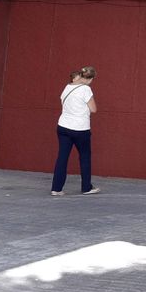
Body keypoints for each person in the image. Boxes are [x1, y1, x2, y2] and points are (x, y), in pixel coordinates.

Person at [51, 65, 99, 196]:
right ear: (90, 79)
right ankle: (86, 187)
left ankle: (56, 188)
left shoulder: (67, 87)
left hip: (63, 126)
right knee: (84, 156)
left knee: (62, 157)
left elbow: (64, 104)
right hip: (80, 128)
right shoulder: (86, 89)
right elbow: (94, 109)